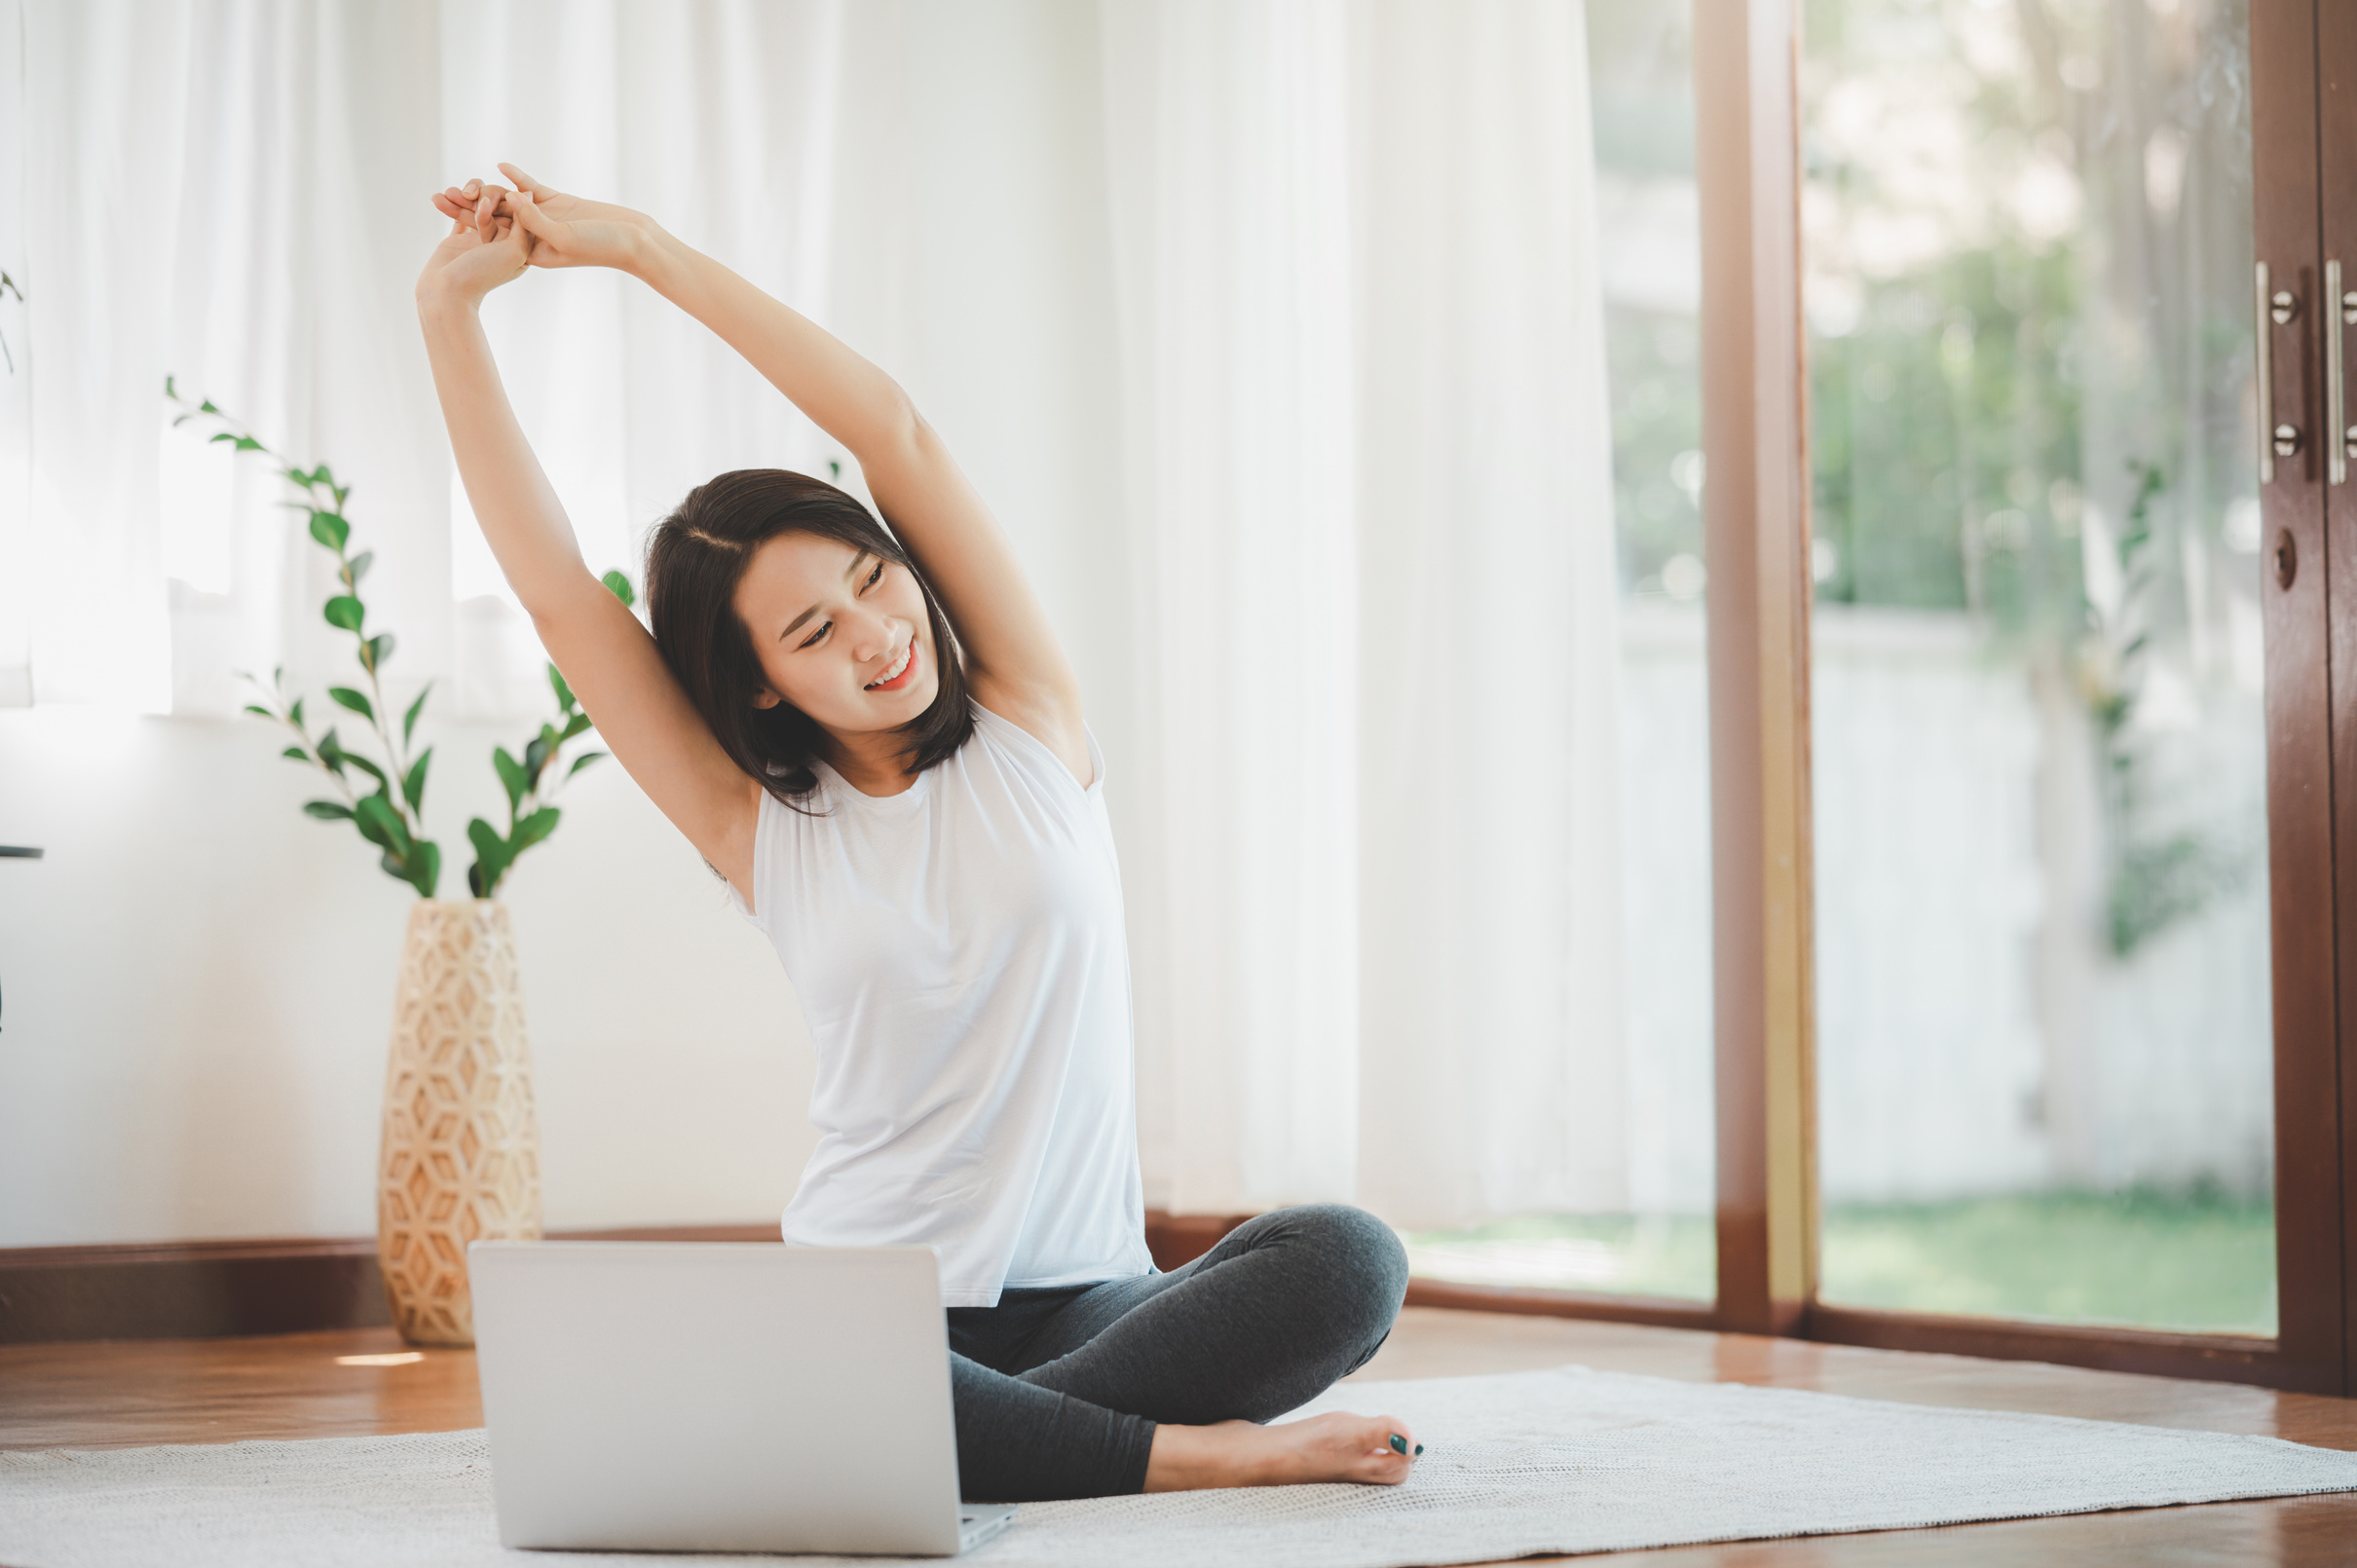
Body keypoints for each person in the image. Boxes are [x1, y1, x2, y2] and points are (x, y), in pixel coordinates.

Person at [414, 167, 1417, 1503]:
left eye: (873, 581)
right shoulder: (758, 826)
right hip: (870, 1305)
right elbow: (557, 597)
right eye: (815, 631)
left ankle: (911, 1447)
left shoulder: (1029, 723)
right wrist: (450, 316)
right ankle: (1163, 1454)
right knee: (799, 1360)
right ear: (762, 682)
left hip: (1089, 1305)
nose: (881, 635)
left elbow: (895, 429)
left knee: (1348, 1259)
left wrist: (645, 250)